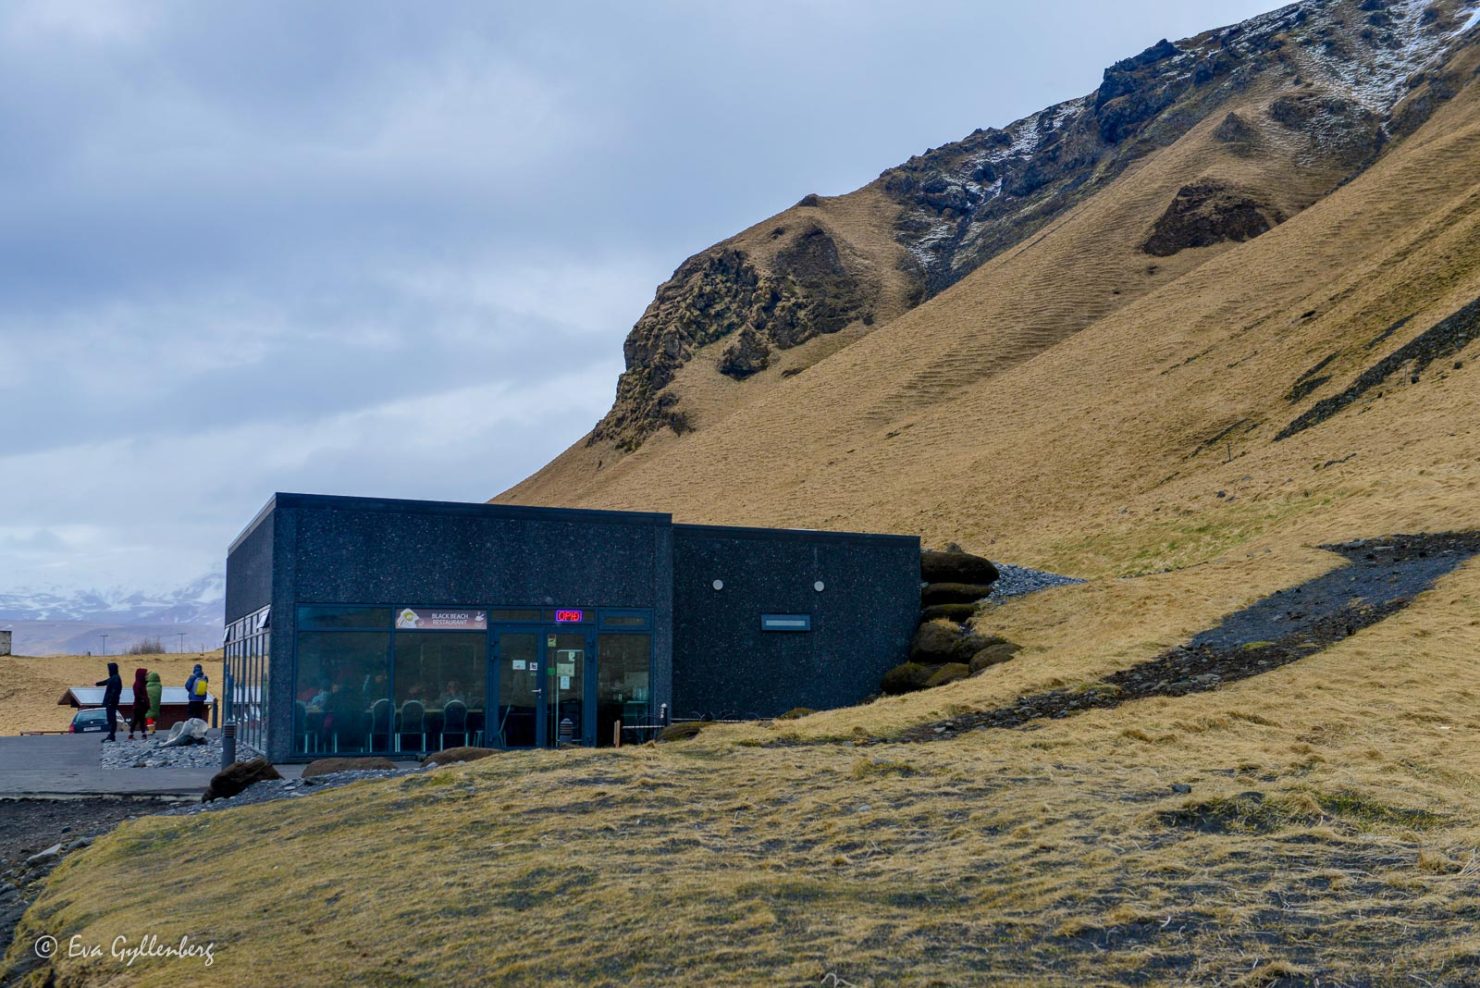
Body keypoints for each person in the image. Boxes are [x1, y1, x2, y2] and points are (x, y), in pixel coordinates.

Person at [95, 661, 122, 743]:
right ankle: (111, 735)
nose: (108, 671)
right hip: (110, 702)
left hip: (111, 702)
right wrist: (98, 684)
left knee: (112, 719)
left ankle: (111, 735)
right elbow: (107, 681)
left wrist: (110, 701)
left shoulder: (116, 678)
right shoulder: (114, 677)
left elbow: (115, 691)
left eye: (109, 669)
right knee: (110, 719)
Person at [126, 668, 149, 740]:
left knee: (140, 720)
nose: (146, 676)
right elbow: (137, 695)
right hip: (139, 706)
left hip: (141, 706)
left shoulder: (142, 683)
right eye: (145, 675)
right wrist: (144, 700)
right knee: (137, 720)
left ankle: (140, 734)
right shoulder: (137, 684)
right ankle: (134, 734)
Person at [145, 670, 162, 734]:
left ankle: (151, 730)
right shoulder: (159, 685)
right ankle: (153, 729)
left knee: (149, 716)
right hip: (157, 704)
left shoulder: (148, 686)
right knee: (154, 716)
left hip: (150, 704)